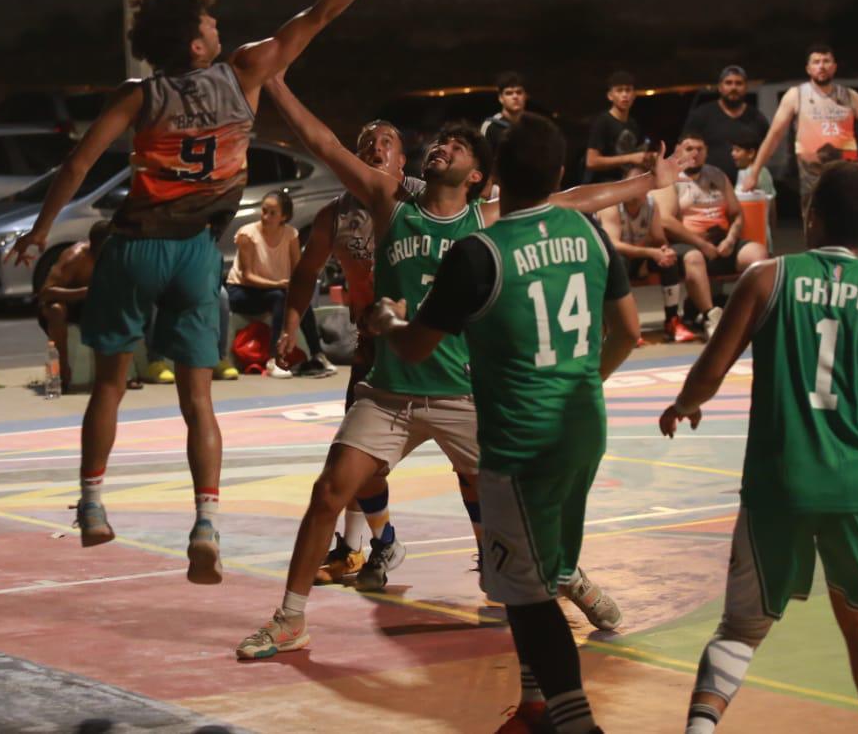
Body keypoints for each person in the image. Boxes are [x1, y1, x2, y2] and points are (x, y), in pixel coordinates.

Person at [9, 0, 422, 584]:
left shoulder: (139, 95)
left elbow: (78, 166)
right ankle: (205, 523)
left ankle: (90, 502)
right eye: (207, 22)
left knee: (109, 387)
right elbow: (318, 15)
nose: (217, 25)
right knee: (197, 399)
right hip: (197, 254)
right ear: (197, 46)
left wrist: (40, 228)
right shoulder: (247, 72)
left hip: (136, 245)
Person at [237, 78, 666, 670]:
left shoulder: (487, 220)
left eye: (456, 148)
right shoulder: (391, 204)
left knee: (516, 518)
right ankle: (290, 620)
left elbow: (573, 198)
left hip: (465, 394)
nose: (440, 149)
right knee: (328, 492)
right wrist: (275, 82)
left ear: (476, 177)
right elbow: (325, 144)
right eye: (437, 144)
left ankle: (573, 580)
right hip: (390, 394)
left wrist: (649, 181)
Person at [365, 112, 641, 734]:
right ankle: (536, 704)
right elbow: (628, 333)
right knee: (541, 566)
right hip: (584, 426)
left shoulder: (479, 252)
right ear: (559, 174)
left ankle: (570, 720)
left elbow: (415, 347)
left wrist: (385, 322)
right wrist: (585, 380)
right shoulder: (589, 235)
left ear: (497, 178)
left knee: (523, 590)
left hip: (521, 438)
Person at [659, 162, 858, 734]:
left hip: (780, 481)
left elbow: (711, 369)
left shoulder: (767, 278)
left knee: (742, 627)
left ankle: (700, 729)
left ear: (811, 217)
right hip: (857, 484)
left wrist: (684, 405)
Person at [278, 118, 422, 584]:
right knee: (353, 459)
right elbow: (304, 274)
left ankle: (496, 555)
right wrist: (290, 327)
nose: (374, 149)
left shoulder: (427, 199)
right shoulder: (336, 215)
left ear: (402, 160)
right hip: (374, 351)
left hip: (435, 346)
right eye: (365, 144)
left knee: (474, 465)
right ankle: (363, 546)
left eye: (386, 142)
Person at [741, 44, 858, 222]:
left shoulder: (849, 96)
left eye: (826, 61)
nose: (821, 66)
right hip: (811, 179)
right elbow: (774, 135)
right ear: (808, 68)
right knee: (816, 227)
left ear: (834, 66)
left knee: (847, 227)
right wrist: (754, 172)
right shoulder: (796, 95)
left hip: (846, 177)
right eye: (816, 62)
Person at [661, 133, 770, 339]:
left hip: (721, 242)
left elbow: (737, 214)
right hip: (689, 243)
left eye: (699, 149)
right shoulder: (671, 178)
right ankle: (711, 316)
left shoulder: (717, 175)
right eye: (689, 148)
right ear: (678, 150)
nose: (695, 153)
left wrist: (730, 239)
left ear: (706, 152)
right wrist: (701, 244)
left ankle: (751, 312)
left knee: (758, 253)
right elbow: (666, 220)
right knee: (694, 258)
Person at [226, 190, 333, 377]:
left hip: (275, 288)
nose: (266, 216)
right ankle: (273, 359)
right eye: (264, 211)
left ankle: (317, 353)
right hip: (242, 291)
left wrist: (295, 286)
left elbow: (297, 271)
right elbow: (247, 276)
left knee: (300, 299)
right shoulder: (247, 234)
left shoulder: (291, 235)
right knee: (279, 298)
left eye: (272, 213)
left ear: (284, 216)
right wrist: (279, 284)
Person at [598, 163, 681, 344]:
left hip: (638, 255)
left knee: (669, 261)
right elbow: (613, 245)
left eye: (641, 185)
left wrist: (663, 251)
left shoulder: (651, 204)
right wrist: (651, 253)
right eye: (631, 185)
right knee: (619, 261)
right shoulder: (611, 204)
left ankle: (672, 321)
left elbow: (659, 238)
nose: (636, 191)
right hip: (611, 259)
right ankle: (626, 327)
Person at [37, 220, 116, 391]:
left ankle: (120, 374)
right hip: (65, 304)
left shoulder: (116, 255)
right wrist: (83, 292)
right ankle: (60, 372)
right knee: (56, 310)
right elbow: (45, 293)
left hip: (93, 306)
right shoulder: (75, 257)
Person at [683, 66, 770, 182]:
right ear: (720, 87)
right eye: (728, 83)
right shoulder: (702, 115)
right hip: (709, 187)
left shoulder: (757, 118)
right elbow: (685, 149)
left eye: (739, 83)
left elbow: (767, 150)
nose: (733, 87)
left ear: (746, 87)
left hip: (748, 188)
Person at [584, 70, 650, 184]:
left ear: (634, 95)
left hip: (624, 183)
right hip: (604, 186)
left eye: (628, 90)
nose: (624, 95)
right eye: (619, 90)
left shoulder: (633, 124)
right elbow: (591, 161)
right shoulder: (602, 121)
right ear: (610, 96)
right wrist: (631, 157)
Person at [481, 71, 528, 152]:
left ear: (525, 96)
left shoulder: (534, 125)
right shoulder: (491, 126)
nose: (515, 96)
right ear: (500, 98)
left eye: (519, 92)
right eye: (509, 93)